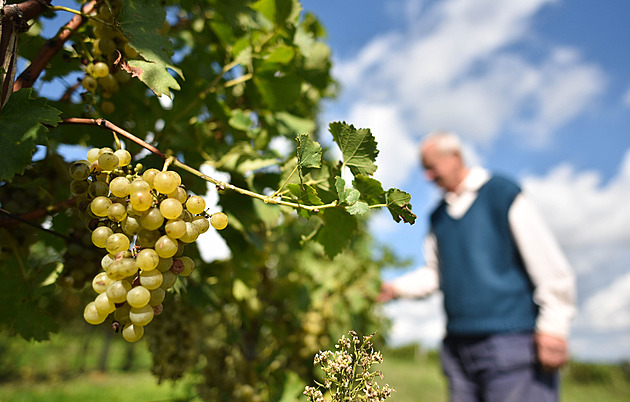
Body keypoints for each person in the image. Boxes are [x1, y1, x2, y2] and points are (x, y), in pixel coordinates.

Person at [379, 131, 576, 402]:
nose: (427, 176)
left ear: (455, 158)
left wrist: (554, 326)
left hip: (511, 344)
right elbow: (436, 273)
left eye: (431, 167)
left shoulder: (501, 194)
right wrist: (394, 288)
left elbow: (547, 261)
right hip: (460, 350)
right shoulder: (439, 217)